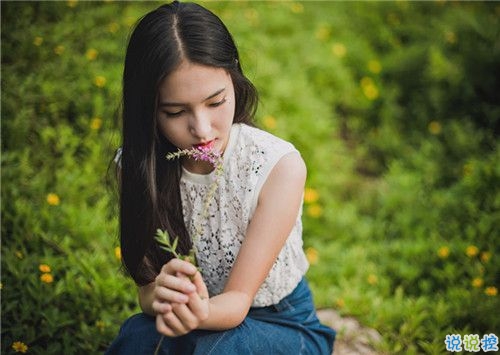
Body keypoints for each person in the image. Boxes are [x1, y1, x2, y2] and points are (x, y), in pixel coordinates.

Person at [106, 1, 336, 354]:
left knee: (218, 350)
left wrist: (194, 315)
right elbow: (148, 293)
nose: (201, 130)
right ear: (148, 110)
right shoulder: (139, 167)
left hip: (282, 321)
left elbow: (238, 301)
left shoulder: (277, 167)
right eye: (175, 112)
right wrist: (164, 298)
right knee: (137, 338)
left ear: (235, 82)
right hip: (199, 318)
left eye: (215, 103)